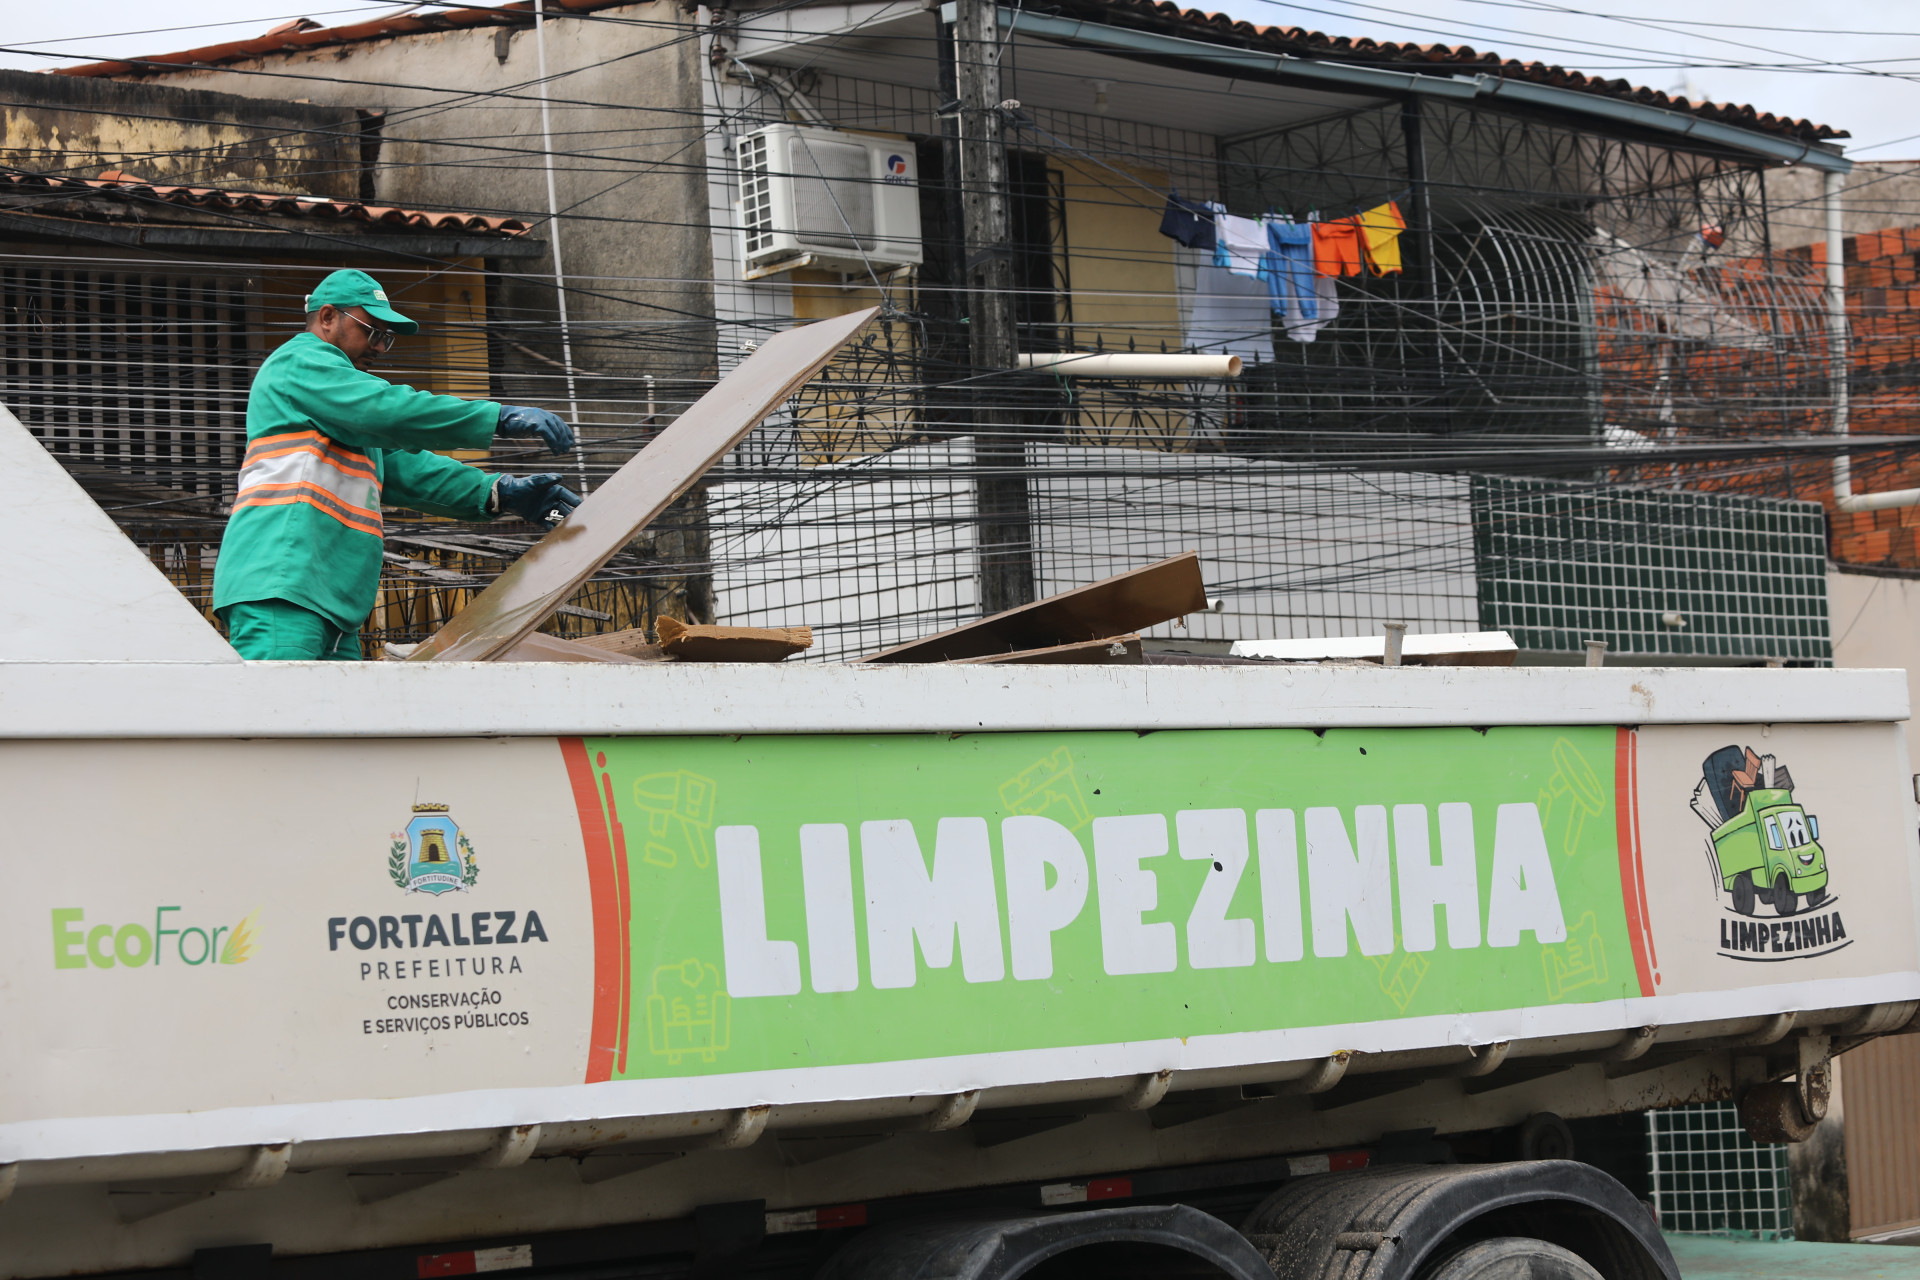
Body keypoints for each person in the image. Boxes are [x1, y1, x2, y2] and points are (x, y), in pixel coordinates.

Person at [212, 268, 584, 660]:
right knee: (282, 718)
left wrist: (499, 493)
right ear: (327, 318)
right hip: (283, 582)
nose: (380, 348)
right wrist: (494, 417)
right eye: (372, 332)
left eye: (386, 338)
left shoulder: (344, 417)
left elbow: (411, 471)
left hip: (330, 601)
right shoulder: (301, 362)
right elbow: (386, 409)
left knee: (333, 722)